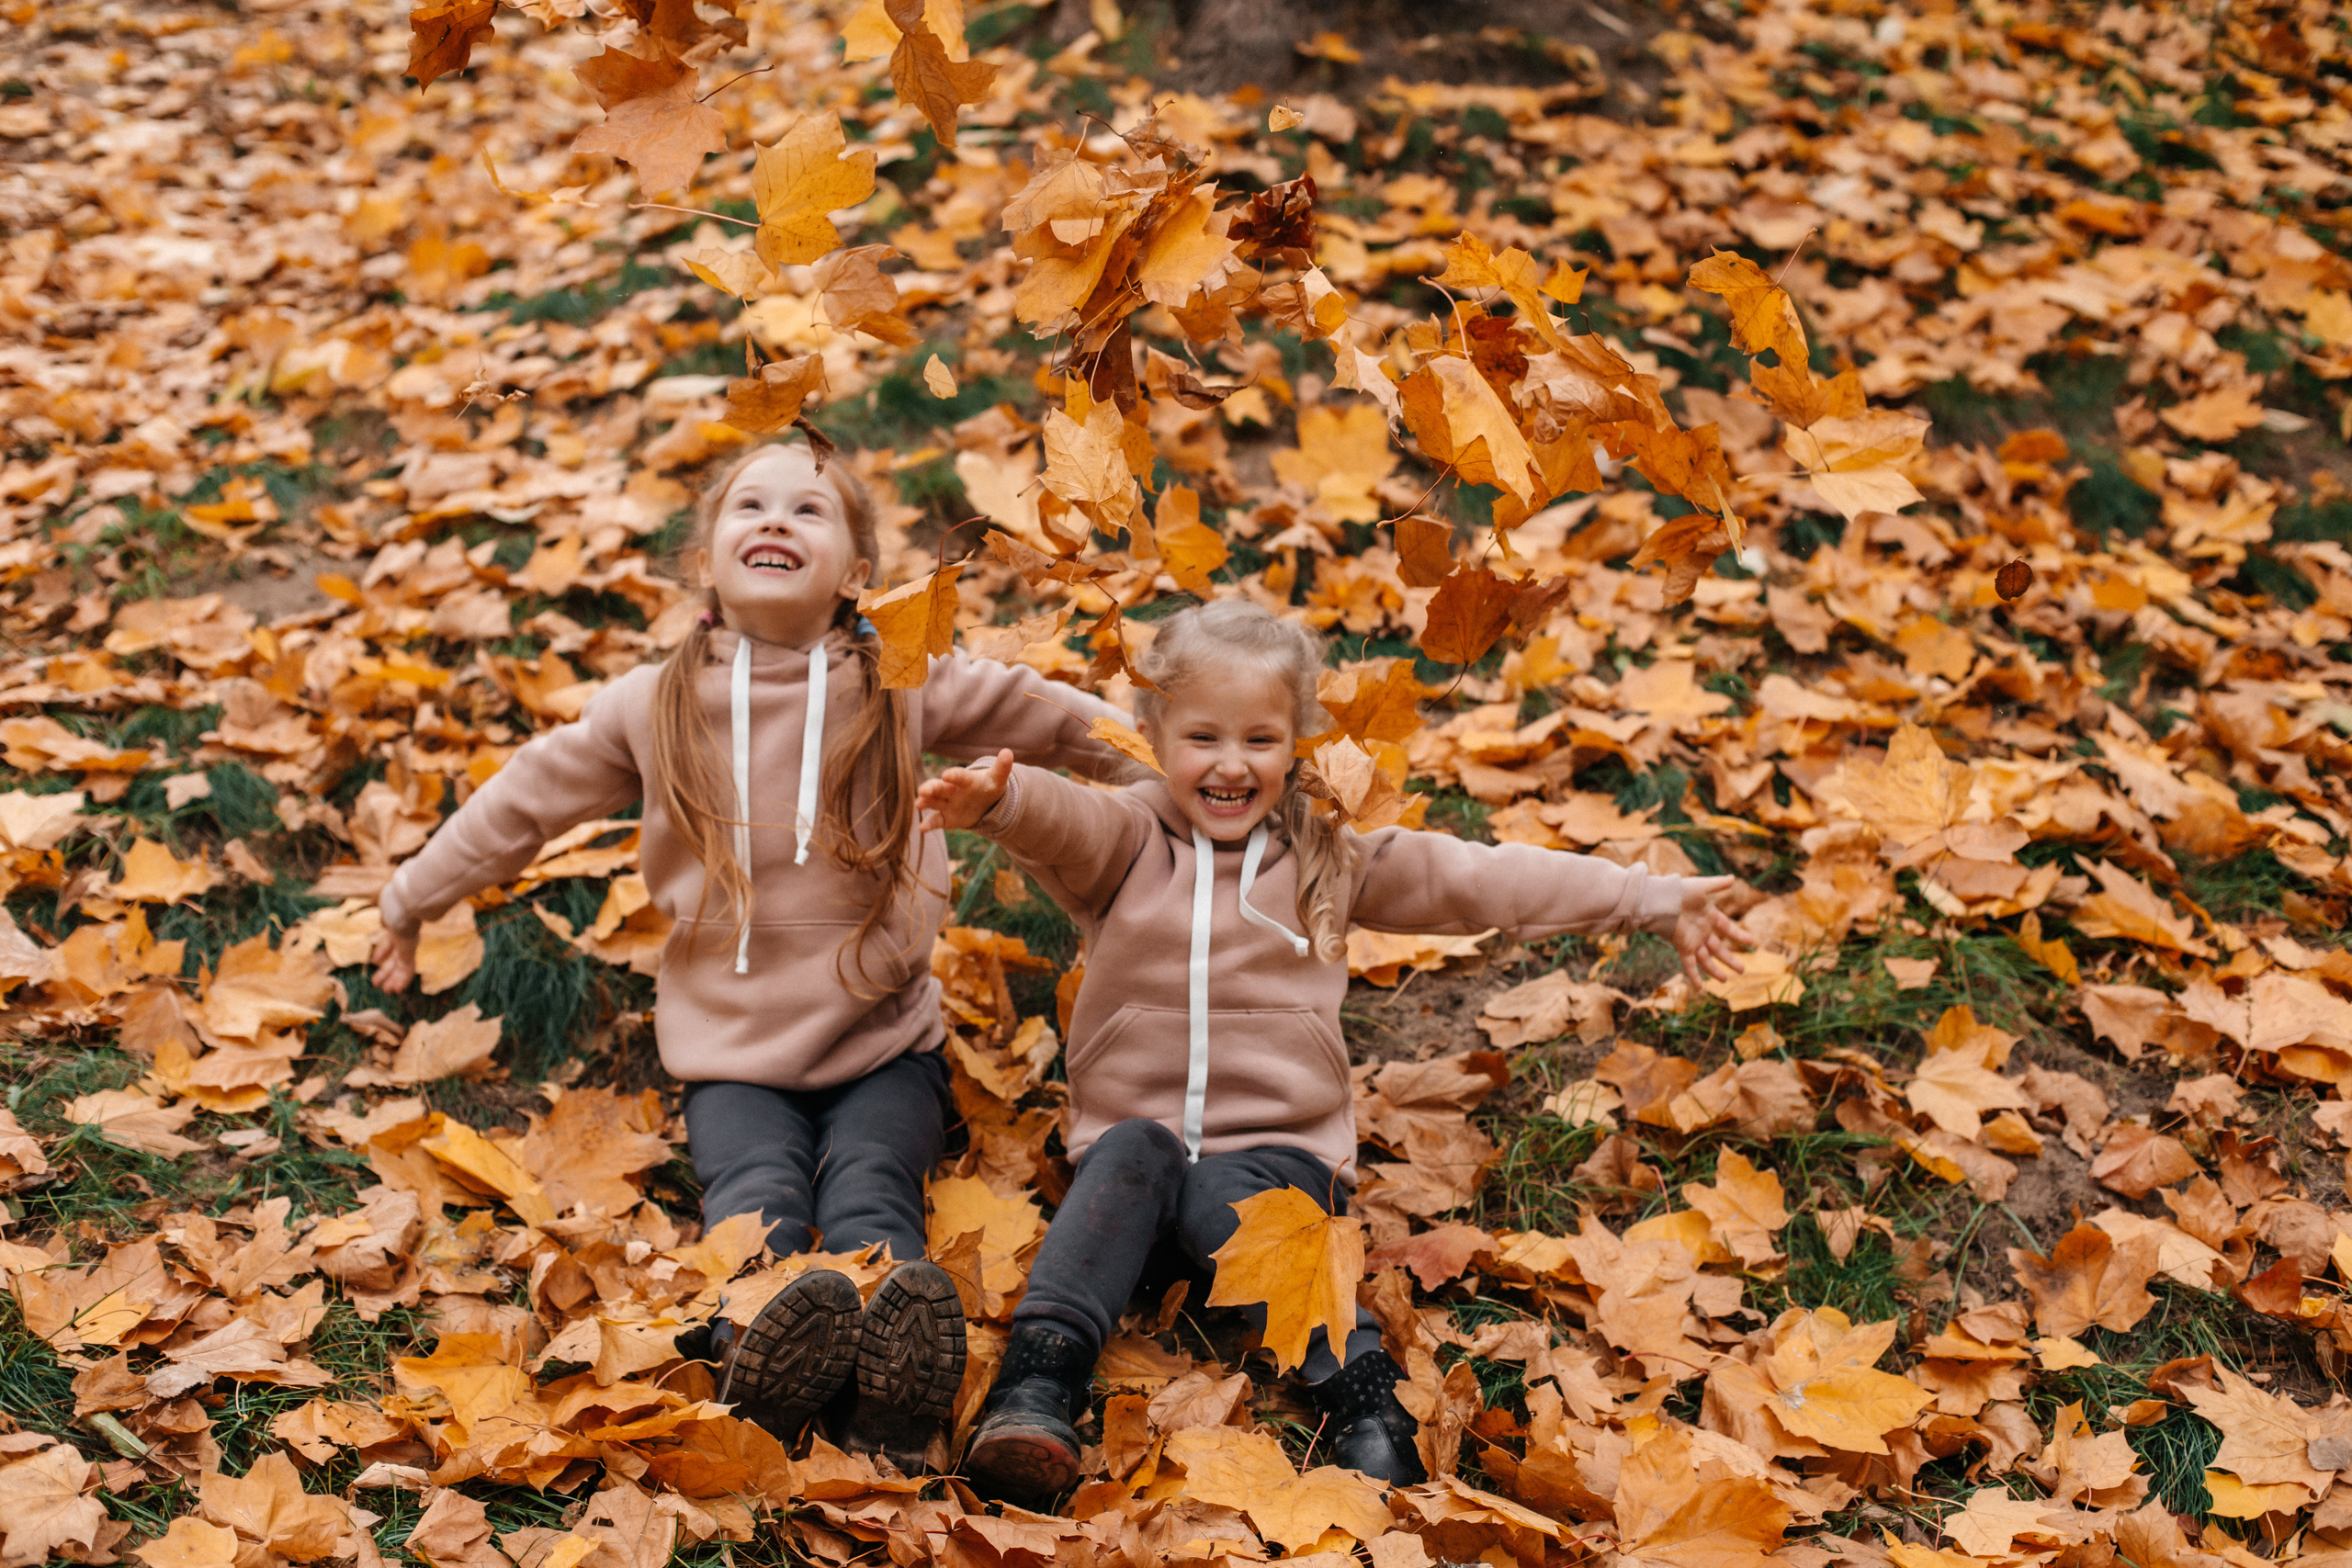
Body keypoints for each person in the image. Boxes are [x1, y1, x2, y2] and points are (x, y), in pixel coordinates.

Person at [368, 437, 1134, 1474]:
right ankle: (762, 1358)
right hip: (730, 1055)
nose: (776, 521)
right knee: (755, 1200)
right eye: (750, 506)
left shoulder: (904, 680)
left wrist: (1180, 759)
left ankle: (894, 1388)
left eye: (810, 512)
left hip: (880, 1042)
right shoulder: (653, 704)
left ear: (857, 571)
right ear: (707, 559)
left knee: (873, 1190)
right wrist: (410, 901)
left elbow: (1048, 715)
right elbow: (520, 807)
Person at [916, 598, 1757, 1498]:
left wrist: (1646, 899)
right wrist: (1001, 800)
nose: (1230, 764)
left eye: (1260, 739)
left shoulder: (1326, 857)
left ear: (1300, 742)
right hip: (1135, 1169)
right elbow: (1062, 819)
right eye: (1201, 737)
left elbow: (1479, 879)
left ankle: (1361, 1391)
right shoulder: (1129, 838)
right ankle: (1038, 1381)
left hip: (1279, 1162)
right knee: (1131, 1152)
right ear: (1151, 732)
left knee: (1229, 1195)